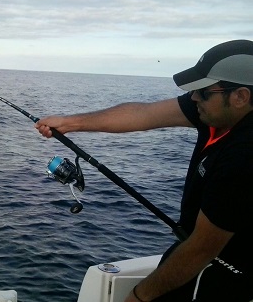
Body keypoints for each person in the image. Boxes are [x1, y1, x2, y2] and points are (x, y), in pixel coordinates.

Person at [35, 39, 253, 301]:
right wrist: (70, 123)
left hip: (228, 274)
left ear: (241, 96)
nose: (193, 97)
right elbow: (143, 113)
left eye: (203, 91)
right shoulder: (218, 111)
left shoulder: (244, 156)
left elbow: (200, 249)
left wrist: (139, 297)